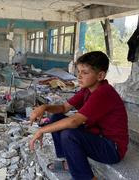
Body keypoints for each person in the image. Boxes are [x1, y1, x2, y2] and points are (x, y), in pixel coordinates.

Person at [29, 51, 128, 180]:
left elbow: (74, 121)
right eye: (79, 71)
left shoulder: (104, 93)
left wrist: (42, 130)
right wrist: (45, 107)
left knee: (69, 135)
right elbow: (64, 108)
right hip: (97, 135)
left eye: (85, 73)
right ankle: (70, 162)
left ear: (100, 75)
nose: (79, 76)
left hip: (112, 148)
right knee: (56, 118)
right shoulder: (87, 89)